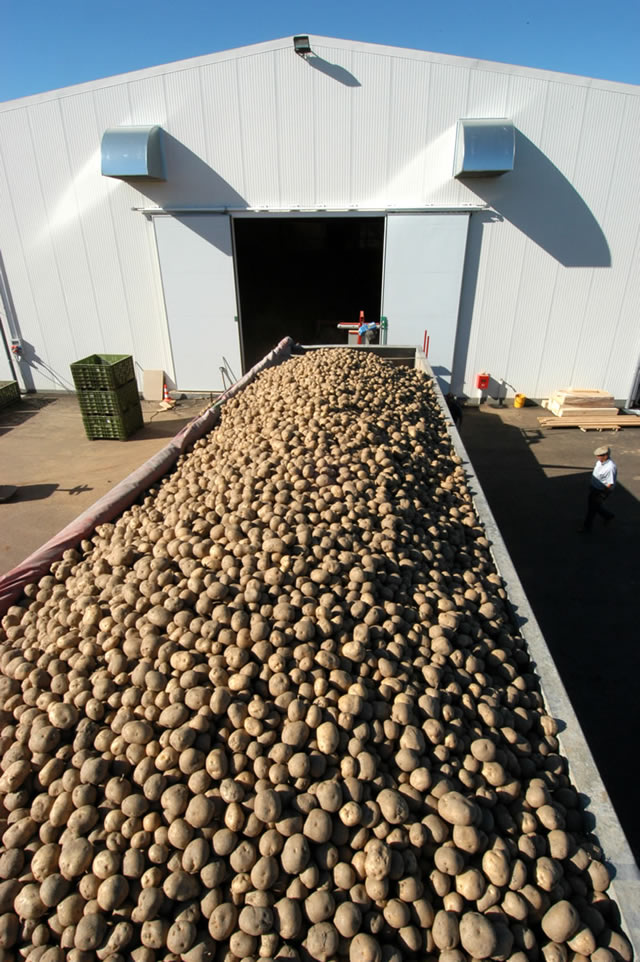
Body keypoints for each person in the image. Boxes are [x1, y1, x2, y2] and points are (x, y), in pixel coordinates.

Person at [580, 445, 617, 532]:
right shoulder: (600, 462)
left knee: (591, 510)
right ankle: (608, 516)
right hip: (594, 488)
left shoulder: (610, 468)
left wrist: (602, 495)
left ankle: (586, 528)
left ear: (606, 456)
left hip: (600, 491)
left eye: (599, 456)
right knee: (594, 506)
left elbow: (610, 484)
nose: (597, 457)